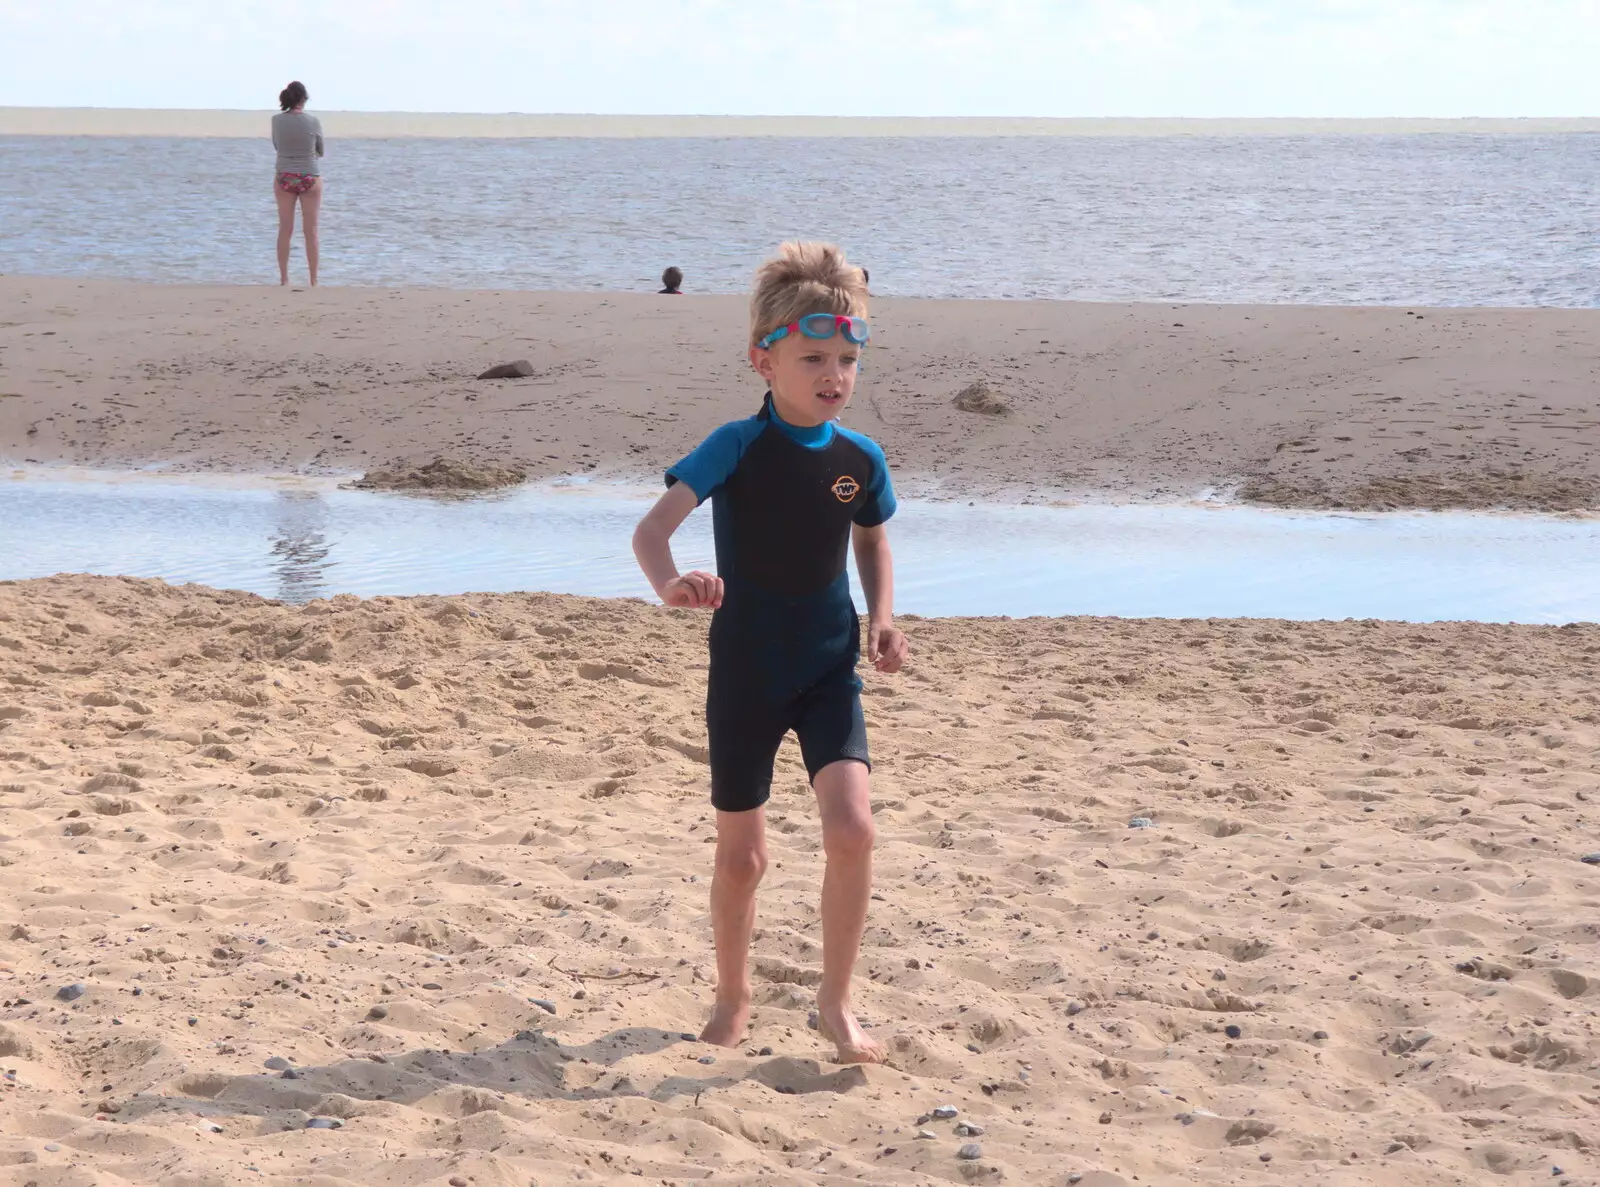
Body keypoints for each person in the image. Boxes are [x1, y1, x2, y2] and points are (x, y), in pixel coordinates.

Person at [632, 241, 908, 1063]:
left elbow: (872, 541)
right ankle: (733, 993)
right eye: (814, 356)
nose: (834, 374)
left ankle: (835, 1001)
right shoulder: (735, 446)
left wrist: (882, 617)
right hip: (747, 673)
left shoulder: (861, 459)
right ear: (764, 360)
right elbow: (652, 531)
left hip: (828, 668)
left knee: (853, 828)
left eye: (848, 359)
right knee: (744, 857)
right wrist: (672, 582)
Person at [271, 81, 324, 286]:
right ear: (303, 99)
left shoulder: (276, 120)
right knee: (311, 230)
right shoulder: (313, 121)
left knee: (285, 228)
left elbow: (277, 145)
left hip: (284, 175)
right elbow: (320, 150)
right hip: (309, 175)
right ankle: (313, 280)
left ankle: (284, 279)